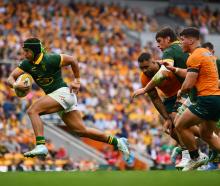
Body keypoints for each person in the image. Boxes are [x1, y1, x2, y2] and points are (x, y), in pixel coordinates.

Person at [7, 38, 133, 163]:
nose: (25, 54)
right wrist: (15, 85)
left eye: (27, 51)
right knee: (81, 131)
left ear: (35, 51)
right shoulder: (26, 64)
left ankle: (40, 145)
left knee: (32, 111)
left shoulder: (51, 59)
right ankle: (118, 142)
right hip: (60, 97)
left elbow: (72, 59)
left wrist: (77, 80)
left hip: (63, 93)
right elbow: (11, 78)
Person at [131, 52, 199, 168]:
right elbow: (155, 98)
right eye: (141, 68)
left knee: (175, 119)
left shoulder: (167, 66)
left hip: (184, 92)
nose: (144, 70)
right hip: (169, 98)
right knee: (169, 128)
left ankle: (188, 154)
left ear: (154, 61)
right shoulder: (144, 78)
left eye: (146, 67)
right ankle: (192, 150)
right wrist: (166, 118)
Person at [174, 27, 220, 171]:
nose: (180, 43)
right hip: (216, 99)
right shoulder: (206, 53)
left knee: (179, 125)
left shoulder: (194, 56)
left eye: (182, 39)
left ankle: (195, 157)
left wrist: (180, 92)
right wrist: (174, 69)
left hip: (206, 99)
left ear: (191, 40)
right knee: (206, 135)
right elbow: (191, 74)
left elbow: (189, 84)